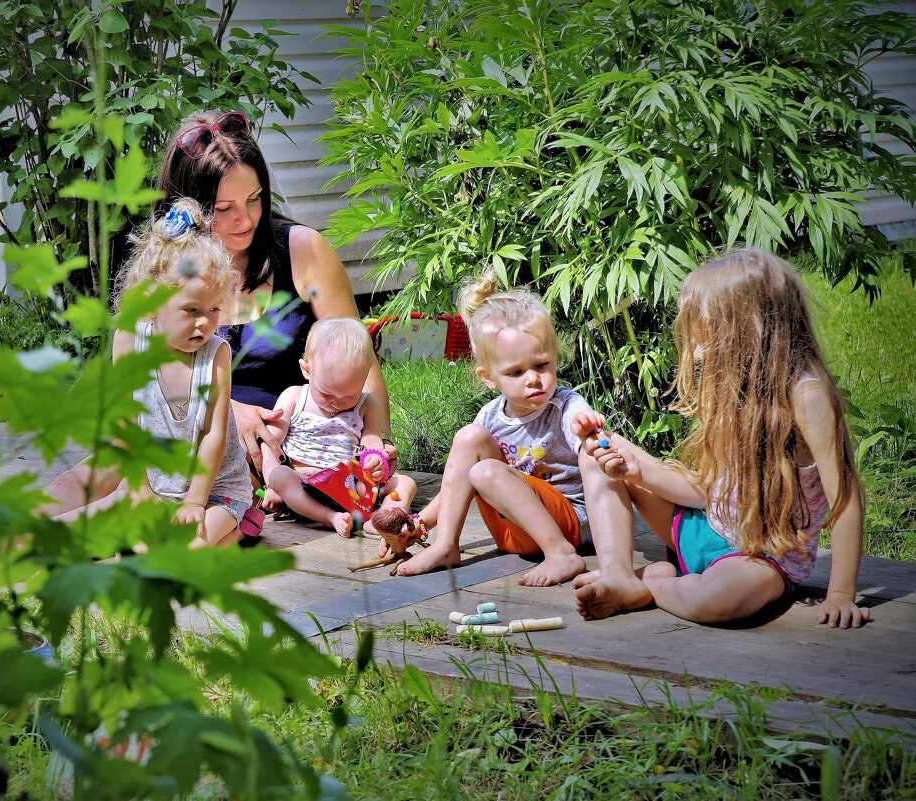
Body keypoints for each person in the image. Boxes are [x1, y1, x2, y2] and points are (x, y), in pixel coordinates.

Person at [574, 248, 870, 629]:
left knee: (719, 601)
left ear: (748, 332)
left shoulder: (807, 398)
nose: (695, 355)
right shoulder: (736, 392)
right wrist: (634, 471)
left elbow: (845, 501)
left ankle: (652, 584)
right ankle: (618, 573)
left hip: (760, 560)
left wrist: (841, 594)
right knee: (597, 449)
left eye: (704, 339)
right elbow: (710, 493)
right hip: (703, 526)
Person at [154, 109, 393, 476]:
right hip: (187, 440)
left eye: (255, 198)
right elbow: (143, 375)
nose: (246, 219)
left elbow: (359, 357)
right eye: (224, 209)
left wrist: (378, 443)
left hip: (294, 457)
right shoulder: (165, 264)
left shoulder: (303, 251)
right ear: (191, 207)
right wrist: (228, 410)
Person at [43, 199, 252, 549]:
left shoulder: (215, 356)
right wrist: (139, 491)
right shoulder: (129, 340)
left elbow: (213, 437)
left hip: (215, 493)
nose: (205, 322)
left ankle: (234, 530)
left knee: (180, 552)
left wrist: (194, 503)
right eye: (191, 310)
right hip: (152, 487)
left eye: (213, 309)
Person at [395, 273, 612, 587]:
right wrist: (417, 524)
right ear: (488, 377)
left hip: (569, 524)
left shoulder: (565, 405)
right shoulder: (491, 416)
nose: (533, 379)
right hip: (514, 529)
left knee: (484, 472)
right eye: (516, 372)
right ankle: (445, 546)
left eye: (542, 365)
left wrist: (589, 433)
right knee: (469, 438)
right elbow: (455, 487)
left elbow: (586, 435)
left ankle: (561, 554)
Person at [259, 317, 417, 537]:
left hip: (351, 486)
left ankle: (382, 520)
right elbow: (268, 442)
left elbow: (371, 441)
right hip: (306, 485)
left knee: (406, 483)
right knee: (281, 476)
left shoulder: (367, 404)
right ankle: (329, 517)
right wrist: (270, 484)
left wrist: (376, 459)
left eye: (349, 395)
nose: (337, 403)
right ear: (306, 370)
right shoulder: (294, 397)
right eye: (326, 394)